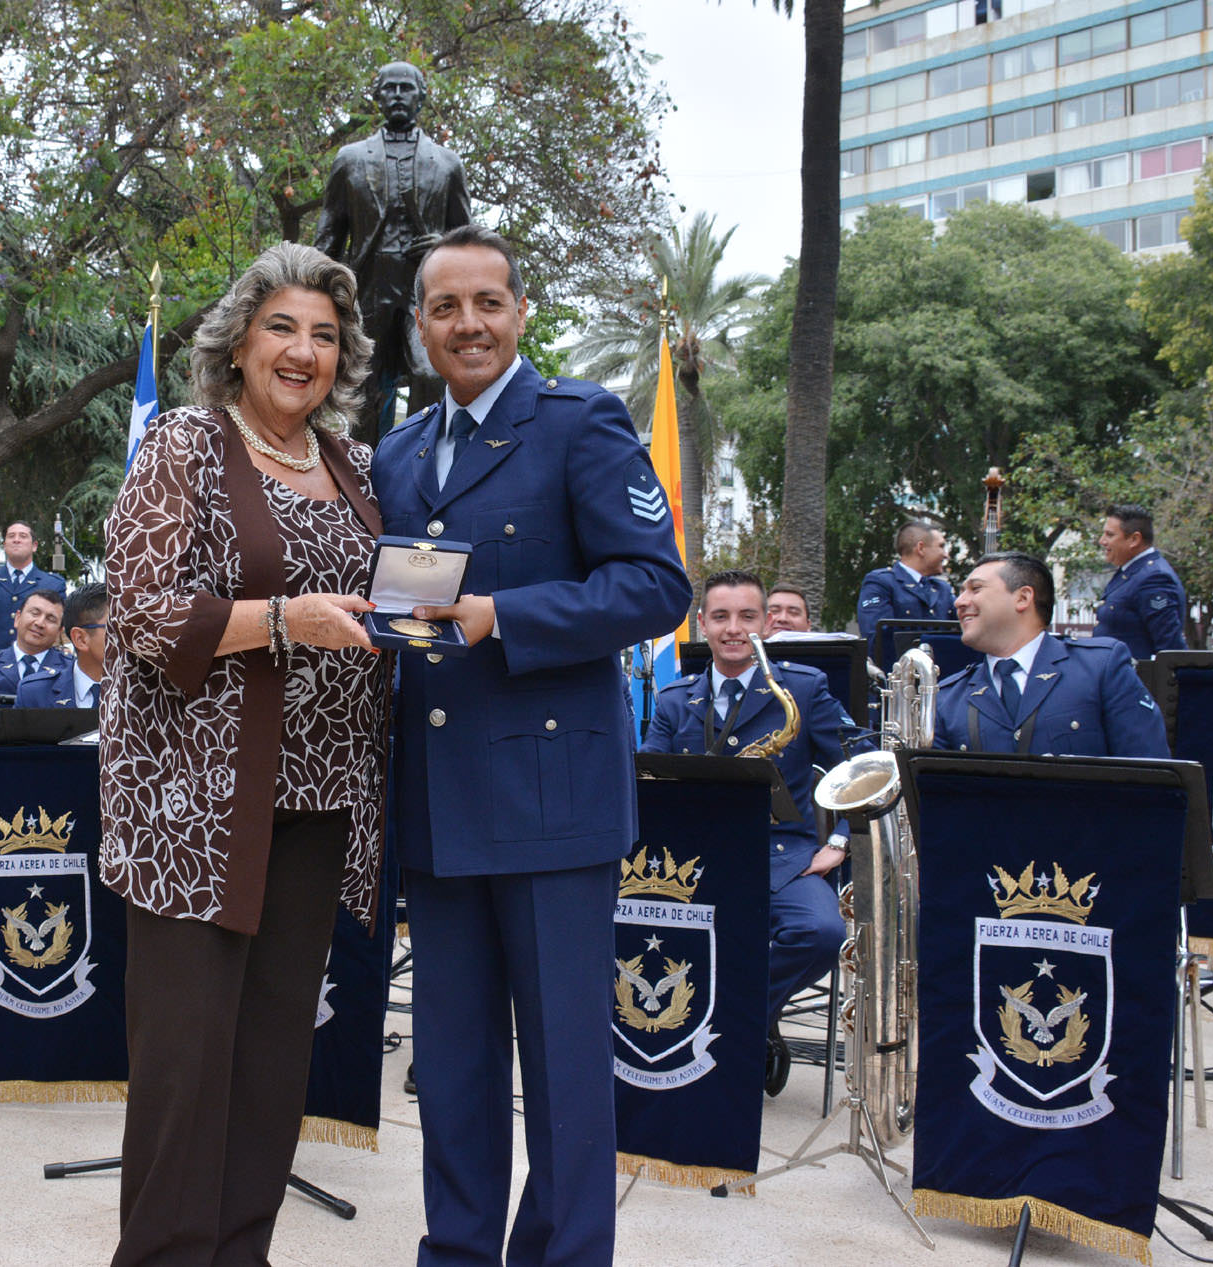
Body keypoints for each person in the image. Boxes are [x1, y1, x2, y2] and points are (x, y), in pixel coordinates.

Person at [371, 225, 690, 1267]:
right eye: (444, 307)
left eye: (486, 304)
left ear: (519, 313)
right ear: (419, 325)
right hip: (437, 801)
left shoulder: (579, 422)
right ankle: (456, 1253)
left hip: (552, 806)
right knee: (453, 1071)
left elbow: (653, 585)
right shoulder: (400, 450)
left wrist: (502, 612)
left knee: (562, 1075)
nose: (467, 324)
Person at [101, 241, 391, 1267]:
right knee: (187, 1070)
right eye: (282, 328)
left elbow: (379, 605)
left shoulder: (356, 465)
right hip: (192, 813)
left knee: (271, 1065)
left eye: (324, 334)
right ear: (236, 344)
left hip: (316, 807)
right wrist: (281, 620)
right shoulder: (184, 443)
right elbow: (136, 612)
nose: (304, 350)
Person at [640, 570, 867, 1096]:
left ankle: (738, 1020)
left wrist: (839, 843)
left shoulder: (804, 689)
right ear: (701, 625)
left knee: (823, 933)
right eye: (720, 617)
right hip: (695, 857)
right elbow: (649, 778)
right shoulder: (676, 700)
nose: (733, 629)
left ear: (766, 623)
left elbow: (857, 768)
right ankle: (734, 1027)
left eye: (746, 616)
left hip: (784, 855)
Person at [314, 60, 472, 433]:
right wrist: (313, 296)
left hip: (426, 292)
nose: (398, 95)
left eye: (406, 88)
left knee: (430, 373)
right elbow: (329, 237)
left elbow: (470, 247)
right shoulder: (349, 160)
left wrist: (445, 244)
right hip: (368, 289)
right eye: (390, 88)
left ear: (421, 96)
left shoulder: (448, 165)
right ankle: (363, 474)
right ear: (377, 96)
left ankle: (420, 459)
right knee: (365, 388)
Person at [936, 552, 1168, 757]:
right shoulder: (948, 697)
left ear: (1023, 598)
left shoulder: (1100, 668)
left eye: (975, 589)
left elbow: (1152, 772)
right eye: (961, 592)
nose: (959, 601)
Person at [1093, 503, 1187, 658]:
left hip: (1136, 680)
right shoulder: (1129, 572)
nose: (1102, 541)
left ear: (1134, 539)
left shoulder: (1154, 578)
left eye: (1110, 535)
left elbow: (1170, 650)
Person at [0, 521, 66, 651]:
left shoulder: (53, 584)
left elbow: (58, 626)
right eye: (11, 536)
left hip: (35, 666)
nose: (16, 540)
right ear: (4, 545)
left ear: (34, 546)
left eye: (23, 536)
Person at [856, 519, 953, 649]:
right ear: (921, 548)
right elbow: (877, 640)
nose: (946, 555)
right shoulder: (881, 583)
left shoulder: (942, 589)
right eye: (941, 546)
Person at [0, 589, 69, 701]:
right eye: (35, 613)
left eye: (50, 619)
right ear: (17, 618)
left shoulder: (69, 670)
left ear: (59, 632)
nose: (40, 623)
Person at [17, 584, 106, 710]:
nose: (128, 637)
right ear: (80, 639)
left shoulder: (141, 692)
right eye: (115, 629)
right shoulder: (35, 693)